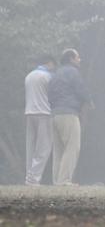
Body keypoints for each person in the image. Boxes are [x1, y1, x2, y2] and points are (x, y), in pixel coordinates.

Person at [49, 48, 92, 186]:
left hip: (55, 114)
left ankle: (57, 180)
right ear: (71, 59)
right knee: (72, 147)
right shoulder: (73, 72)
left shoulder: (56, 73)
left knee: (58, 150)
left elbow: (49, 93)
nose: (80, 60)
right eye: (78, 57)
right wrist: (89, 101)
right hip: (69, 113)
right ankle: (65, 180)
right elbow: (80, 89)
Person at [24, 55, 56, 185]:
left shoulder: (29, 76)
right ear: (49, 63)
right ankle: (34, 179)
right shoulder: (48, 77)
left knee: (30, 147)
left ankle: (29, 177)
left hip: (29, 112)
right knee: (43, 148)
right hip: (44, 113)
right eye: (54, 65)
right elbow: (53, 94)